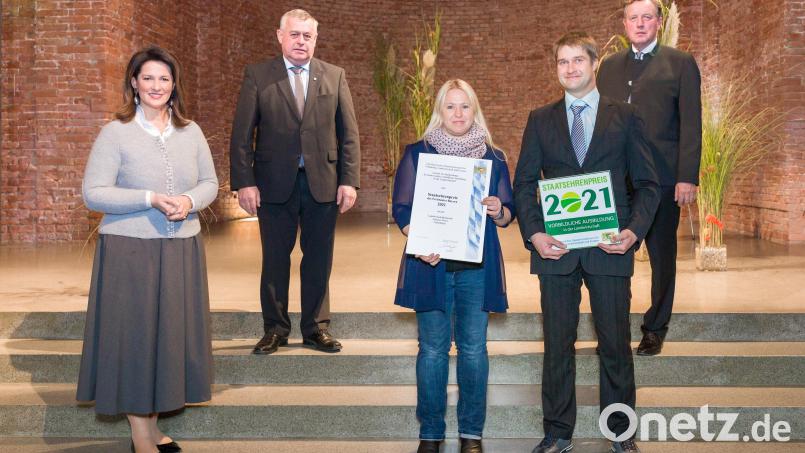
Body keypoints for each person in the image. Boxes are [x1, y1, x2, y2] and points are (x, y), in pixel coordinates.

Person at [513, 32, 660, 453]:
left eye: (578, 60)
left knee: (614, 342)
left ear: (594, 64)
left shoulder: (626, 117)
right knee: (557, 344)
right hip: (555, 251)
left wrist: (633, 233)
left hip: (609, 247)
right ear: (555, 68)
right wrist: (535, 234)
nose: (571, 68)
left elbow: (648, 185)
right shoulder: (539, 119)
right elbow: (524, 183)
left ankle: (620, 432)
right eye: (563, 61)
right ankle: (558, 431)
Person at [77, 46, 218, 453]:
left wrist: (189, 201)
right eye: (148, 78)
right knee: (136, 341)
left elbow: (209, 182)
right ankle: (141, 435)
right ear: (134, 84)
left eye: (164, 78)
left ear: (174, 86)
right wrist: (150, 198)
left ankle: (153, 427)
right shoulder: (115, 132)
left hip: (181, 251)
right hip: (130, 252)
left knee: (167, 340)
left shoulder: (190, 131)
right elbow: (94, 193)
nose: (156, 85)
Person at [392, 79, 514, 453]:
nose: (458, 114)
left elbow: (510, 214)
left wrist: (498, 210)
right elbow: (402, 208)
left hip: (477, 269)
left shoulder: (493, 158)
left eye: (465, 107)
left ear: (474, 110)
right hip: (431, 266)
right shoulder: (418, 154)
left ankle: (471, 435)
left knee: (474, 350)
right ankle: (430, 434)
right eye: (450, 107)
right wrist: (420, 240)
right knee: (431, 350)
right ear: (439, 112)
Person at [230, 8, 360, 355]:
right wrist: (244, 182)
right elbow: (241, 135)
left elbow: (349, 134)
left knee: (318, 257)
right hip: (273, 184)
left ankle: (316, 328)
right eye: (295, 34)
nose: (301, 41)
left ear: (315, 39)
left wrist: (349, 181)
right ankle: (275, 329)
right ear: (280, 36)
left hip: (323, 184)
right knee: (275, 258)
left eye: (308, 36)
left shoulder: (334, 76)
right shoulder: (258, 76)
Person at [597, 0, 702, 356]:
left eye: (646, 18)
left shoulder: (681, 63)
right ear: (624, 25)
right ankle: (613, 330)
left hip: (662, 181)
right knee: (612, 257)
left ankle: (655, 328)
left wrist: (687, 176)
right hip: (616, 181)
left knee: (662, 257)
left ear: (658, 23)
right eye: (633, 18)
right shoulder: (608, 67)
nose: (639, 24)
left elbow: (691, 123)